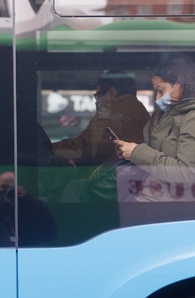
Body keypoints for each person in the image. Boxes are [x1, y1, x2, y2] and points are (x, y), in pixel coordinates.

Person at [115, 53, 195, 202]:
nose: (158, 98)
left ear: (180, 84)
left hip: (179, 198)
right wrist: (130, 151)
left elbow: (186, 173)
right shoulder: (172, 111)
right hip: (159, 189)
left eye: (161, 90)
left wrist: (137, 153)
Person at [43, 71, 150, 201]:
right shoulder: (140, 109)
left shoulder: (113, 109)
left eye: (98, 95)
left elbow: (87, 148)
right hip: (130, 180)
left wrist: (48, 149)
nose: (97, 101)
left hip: (110, 179)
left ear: (111, 93)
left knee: (73, 188)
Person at [0, 172, 56, 247]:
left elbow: (48, 229)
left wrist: (27, 199)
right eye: (3, 187)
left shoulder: (22, 206)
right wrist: (2, 209)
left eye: (10, 188)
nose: (6, 191)